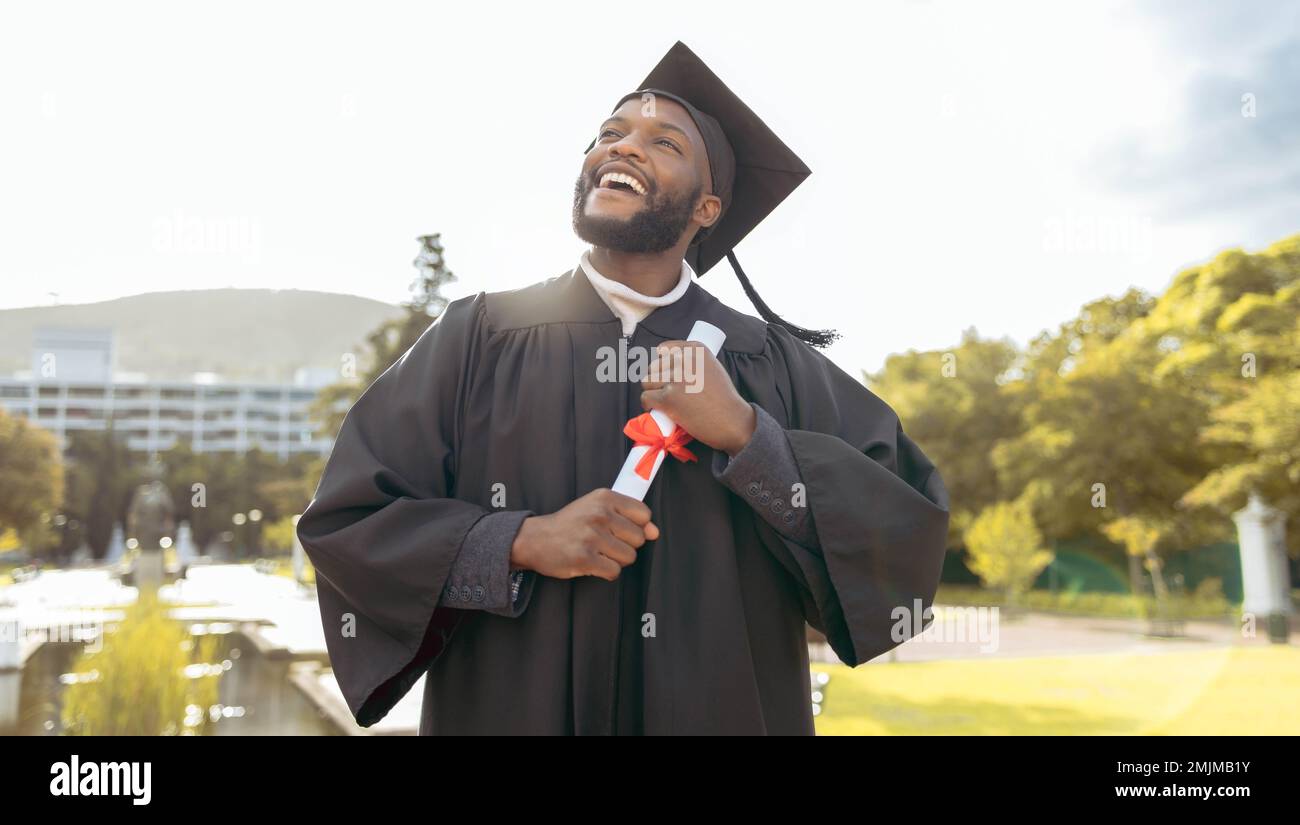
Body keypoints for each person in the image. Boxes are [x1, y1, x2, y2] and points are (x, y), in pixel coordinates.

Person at [296, 41, 950, 735]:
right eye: (610, 134)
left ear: (706, 208)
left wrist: (747, 435)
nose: (624, 148)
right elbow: (349, 519)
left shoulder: (766, 361)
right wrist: (517, 540)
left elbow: (903, 531)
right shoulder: (480, 336)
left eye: (663, 142)